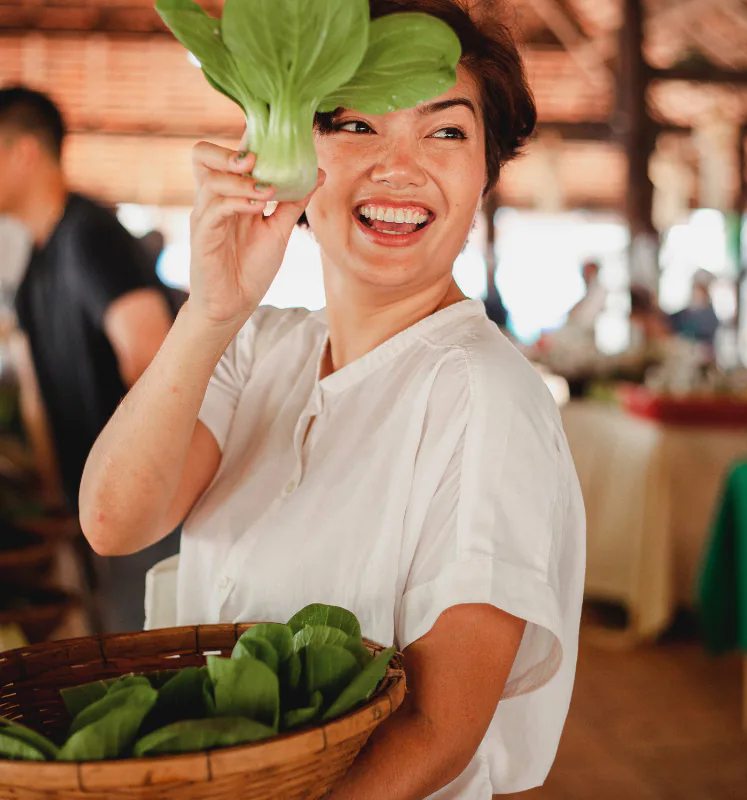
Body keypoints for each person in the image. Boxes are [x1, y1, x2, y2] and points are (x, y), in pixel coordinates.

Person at [79, 1, 586, 797]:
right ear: (291, 149)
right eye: (355, 124)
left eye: (445, 131)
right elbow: (115, 521)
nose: (398, 167)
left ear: (487, 171)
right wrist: (210, 312)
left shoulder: (485, 395)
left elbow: (438, 728)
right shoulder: (256, 344)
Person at [0, 86, 180, 632]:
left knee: (142, 648)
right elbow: (38, 393)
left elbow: (151, 356)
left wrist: (125, 485)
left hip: (140, 503)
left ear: (24, 152)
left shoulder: (90, 234)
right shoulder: (35, 265)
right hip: (93, 510)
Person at [669, 268, 719, 347]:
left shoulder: (710, 317)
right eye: (695, 288)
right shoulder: (683, 314)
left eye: (700, 289)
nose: (696, 293)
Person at [567, 259, 607, 331]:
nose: (584, 274)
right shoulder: (588, 293)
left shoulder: (599, 293)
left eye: (587, 271)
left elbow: (584, 320)